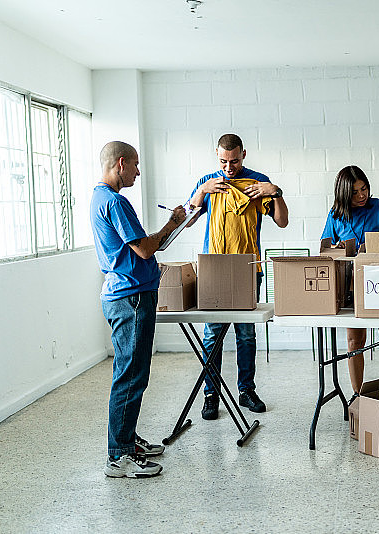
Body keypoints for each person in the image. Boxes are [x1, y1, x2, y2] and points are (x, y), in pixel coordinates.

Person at [91, 141, 186, 478]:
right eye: (135, 165)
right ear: (120, 163)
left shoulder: (101, 198)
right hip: (129, 299)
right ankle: (119, 456)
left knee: (134, 374)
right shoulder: (115, 202)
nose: (138, 171)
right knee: (130, 377)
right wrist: (172, 223)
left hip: (129, 295)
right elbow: (145, 249)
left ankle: (127, 441)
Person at [187, 134, 288, 419]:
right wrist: (202, 191)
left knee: (246, 335)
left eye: (233, 161)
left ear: (243, 154)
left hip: (247, 268)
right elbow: (188, 218)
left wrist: (275, 191)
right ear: (216, 156)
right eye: (223, 161)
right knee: (212, 335)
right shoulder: (208, 182)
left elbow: (282, 221)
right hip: (214, 270)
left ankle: (246, 390)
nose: (229, 167)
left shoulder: (257, 182)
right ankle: (211, 394)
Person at [321, 165, 379, 395]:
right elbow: (325, 248)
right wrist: (338, 247)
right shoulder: (336, 215)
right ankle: (357, 396)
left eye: (364, 189)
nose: (361, 196)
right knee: (354, 343)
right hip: (350, 287)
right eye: (355, 192)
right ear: (343, 193)